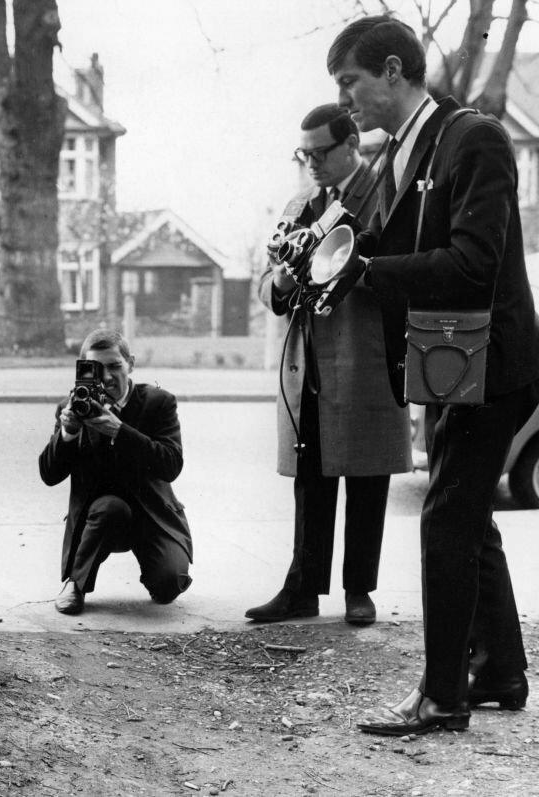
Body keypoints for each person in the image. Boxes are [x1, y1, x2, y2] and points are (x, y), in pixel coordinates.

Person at [327, 15, 539, 735]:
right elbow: (393, 240)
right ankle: (501, 670)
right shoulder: (413, 147)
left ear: (393, 71)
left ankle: (442, 696)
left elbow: (475, 262)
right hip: (455, 361)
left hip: (490, 363)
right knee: (467, 516)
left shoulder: (472, 137)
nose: (346, 99)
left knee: (447, 517)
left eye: (351, 82)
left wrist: (370, 271)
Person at [246, 104, 411, 626]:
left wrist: (349, 268)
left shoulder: (385, 193)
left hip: (364, 351)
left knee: (367, 473)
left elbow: (396, 267)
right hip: (308, 358)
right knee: (309, 474)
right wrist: (286, 279)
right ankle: (303, 587)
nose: (311, 163)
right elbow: (267, 286)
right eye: (304, 154)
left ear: (351, 146)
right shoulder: (300, 203)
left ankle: (358, 590)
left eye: (320, 153)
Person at [38, 329, 192, 615]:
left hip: (153, 515)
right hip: (102, 519)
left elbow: (171, 465)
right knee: (110, 508)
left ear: (130, 364)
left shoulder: (158, 403)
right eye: (96, 369)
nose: (107, 377)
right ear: (83, 369)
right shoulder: (73, 407)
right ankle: (76, 584)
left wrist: (119, 430)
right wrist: (68, 433)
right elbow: (49, 475)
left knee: (169, 586)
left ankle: (157, 570)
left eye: (114, 366)